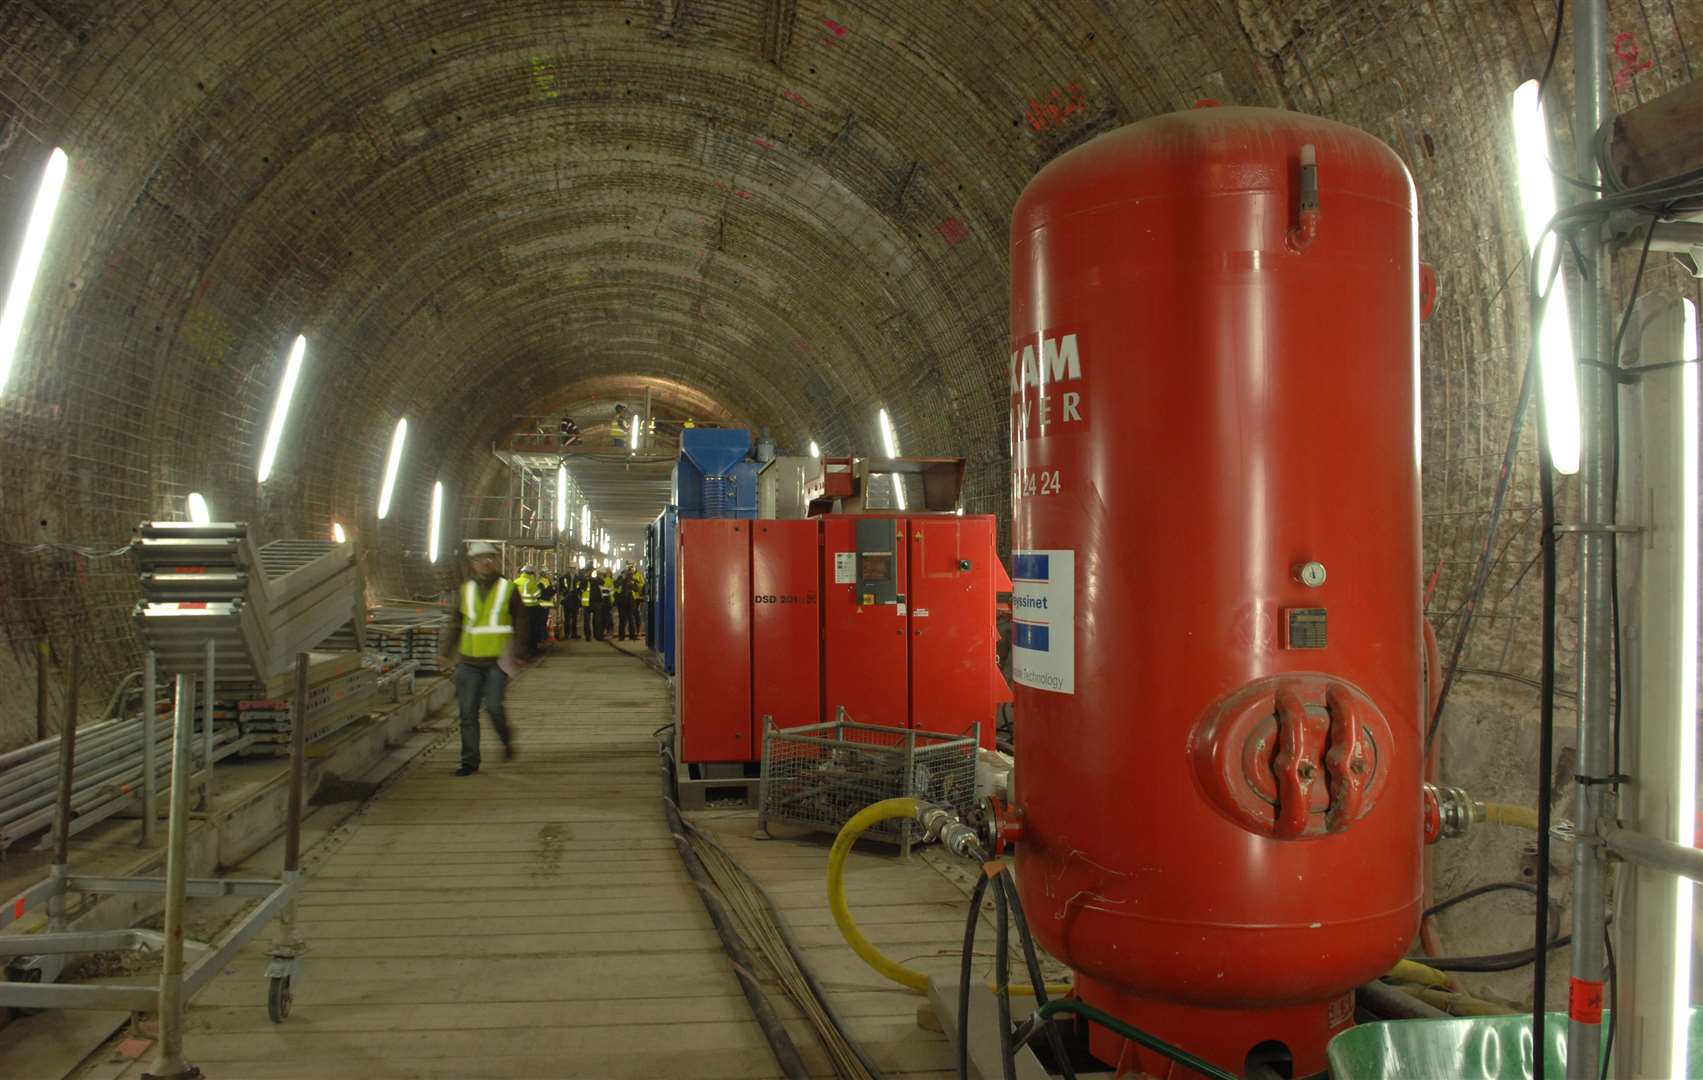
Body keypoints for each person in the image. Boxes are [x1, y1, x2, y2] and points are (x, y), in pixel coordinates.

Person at [439, 542, 531, 776]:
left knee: (493, 707)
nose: (486, 562)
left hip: (497, 662)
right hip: (469, 661)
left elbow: (521, 622)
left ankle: (506, 739)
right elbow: (456, 623)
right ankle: (469, 762)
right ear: (473, 563)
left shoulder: (508, 589)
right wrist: (445, 651)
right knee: (467, 712)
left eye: (490, 557)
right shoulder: (465, 590)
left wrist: (520, 652)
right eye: (481, 558)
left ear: (495, 560)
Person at [614, 567, 637, 641]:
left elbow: (636, 588)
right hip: (623, 602)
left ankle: (631, 635)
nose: (627, 575)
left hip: (629, 602)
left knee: (630, 619)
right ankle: (623, 636)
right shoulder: (620, 580)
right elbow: (616, 585)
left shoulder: (631, 580)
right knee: (623, 620)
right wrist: (622, 579)